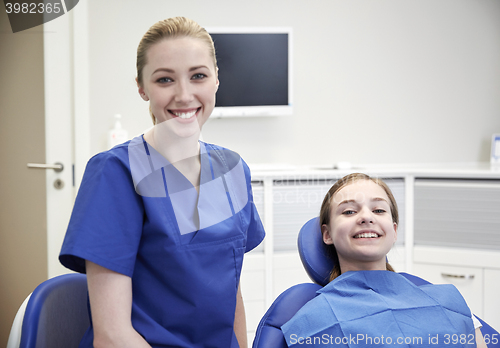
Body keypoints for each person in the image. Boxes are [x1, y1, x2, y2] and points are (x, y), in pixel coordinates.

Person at [59, 17, 265, 348]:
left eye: (198, 76)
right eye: (165, 79)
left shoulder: (232, 169)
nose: (184, 95)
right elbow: (112, 336)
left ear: (216, 80)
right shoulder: (115, 173)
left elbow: (231, 295)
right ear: (142, 87)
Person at [281, 173, 486, 347]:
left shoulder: (449, 303)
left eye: (378, 210)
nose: (366, 217)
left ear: (394, 231)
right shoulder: (314, 322)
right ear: (327, 234)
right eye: (349, 211)